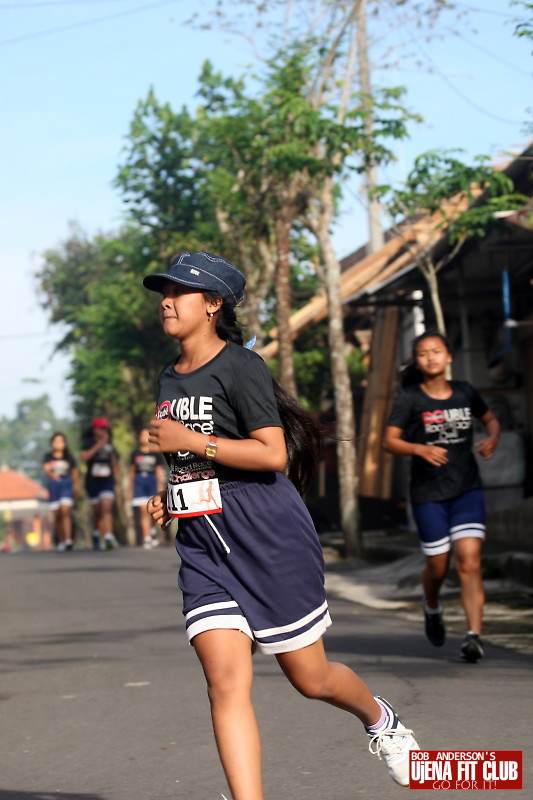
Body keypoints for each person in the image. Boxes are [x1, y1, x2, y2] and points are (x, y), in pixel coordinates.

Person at [143, 250, 420, 799]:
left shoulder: (241, 367)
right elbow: (193, 464)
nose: (167, 302)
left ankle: (381, 719)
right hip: (205, 545)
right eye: (164, 293)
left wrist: (192, 440)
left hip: (266, 533)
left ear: (213, 304)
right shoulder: (167, 378)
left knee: (311, 679)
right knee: (224, 683)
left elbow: (271, 454)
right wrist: (170, 497)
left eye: (179, 292)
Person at [383, 330, 501, 663]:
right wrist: (419, 449)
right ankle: (432, 604)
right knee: (438, 566)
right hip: (428, 494)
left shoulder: (465, 391)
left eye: (436, 351)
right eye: (423, 353)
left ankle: (474, 636)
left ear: (449, 356)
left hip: (467, 489)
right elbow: (389, 441)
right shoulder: (409, 398)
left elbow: (491, 420)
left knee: (469, 562)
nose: (430, 357)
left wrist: (492, 439)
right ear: (416, 361)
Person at [80, 417, 119, 550]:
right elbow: (83, 457)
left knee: (107, 507)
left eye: (104, 428)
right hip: (92, 481)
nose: (102, 430)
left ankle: (108, 537)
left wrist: (116, 479)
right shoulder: (88, 443)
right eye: (100, 428)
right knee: (97, 511)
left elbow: (114, 463)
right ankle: (96, 533)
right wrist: (99, 445)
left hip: (107, 480)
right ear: (94, 429)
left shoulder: (110, 445)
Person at [128, 427, 166, 548]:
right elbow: (131, 472)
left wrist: (161, 485)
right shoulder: (135, 454)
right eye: (142, 435)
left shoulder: (156, 453)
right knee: (142, 511)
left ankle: (152, 531)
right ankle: (147, 537)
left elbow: (159, 471)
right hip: (139, 482)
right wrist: (129, 489)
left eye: (147, 435)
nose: (144, 437)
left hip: (152, 482)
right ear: (139, 437)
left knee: (152, 510)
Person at [42, 432, 80, 551]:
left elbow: (74, 473)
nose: (59, 443)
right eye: (56, 441)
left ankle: (68, 540)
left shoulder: (69, 457)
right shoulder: (48, 456)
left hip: (66, 486)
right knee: (57, 515)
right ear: (52, 443)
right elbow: (46, 469)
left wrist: (76, 488)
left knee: (65, 512)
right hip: (54, 486)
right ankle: (61, 540)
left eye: (61, 441)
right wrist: (51, 473)